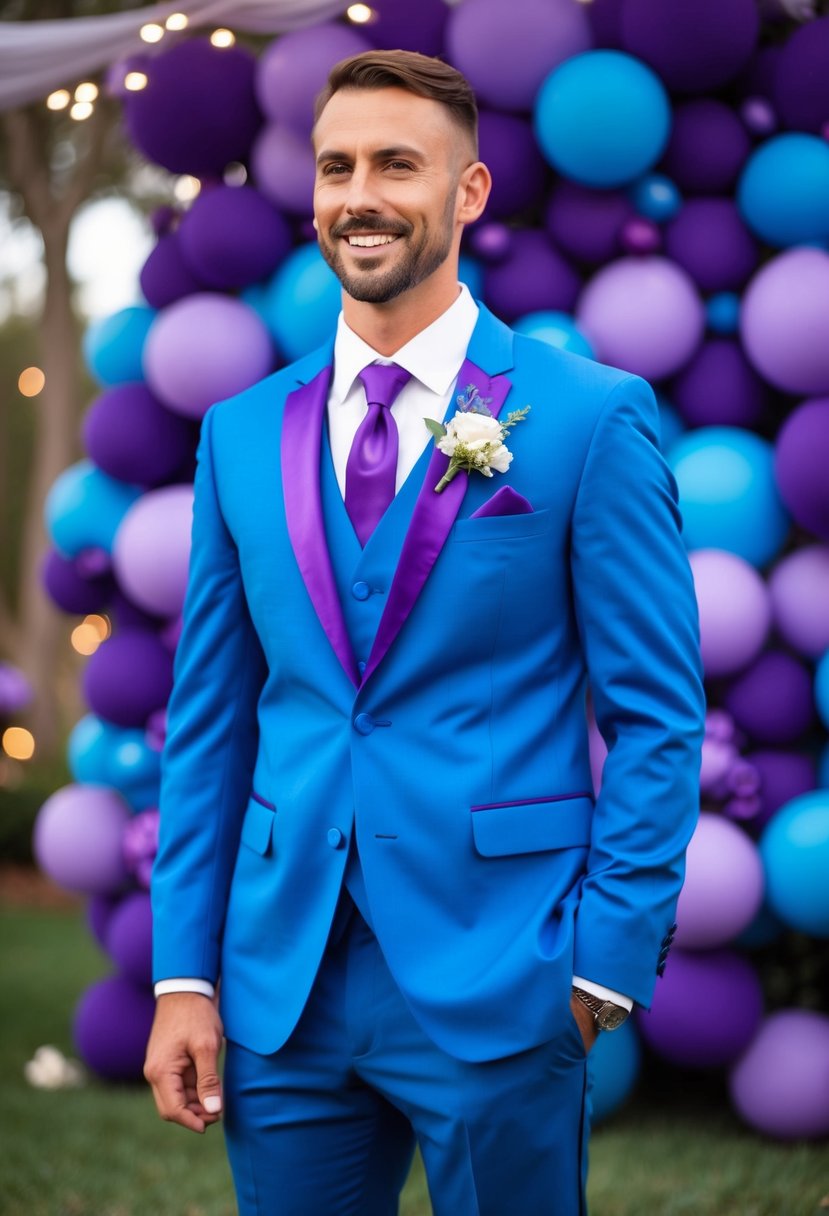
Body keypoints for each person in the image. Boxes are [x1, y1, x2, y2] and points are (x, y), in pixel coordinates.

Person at [145, 49, 705, 1216]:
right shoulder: (240, 433)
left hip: (504, 965)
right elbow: (208, 726)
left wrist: (601, 967)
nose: (360, 194)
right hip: (279, 976)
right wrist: (184, 973)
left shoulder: (588, 417)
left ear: (469, 191)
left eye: (398, 164)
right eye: (337, 164)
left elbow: (657, 714)